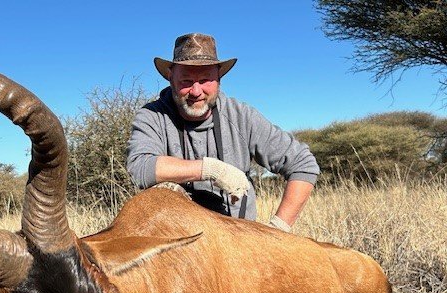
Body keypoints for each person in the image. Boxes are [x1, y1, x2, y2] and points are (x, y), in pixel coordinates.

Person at [126, 33, 320, 232]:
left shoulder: (242, 115)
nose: (196, 91)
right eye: (186, 80)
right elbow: (140, 168)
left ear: (219, 78)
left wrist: (277, 230)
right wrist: (212, 170)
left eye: (205, 80)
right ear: (170, 77)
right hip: (178, 242)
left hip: (237, 239)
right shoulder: (152, 115)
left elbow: (303, 164)